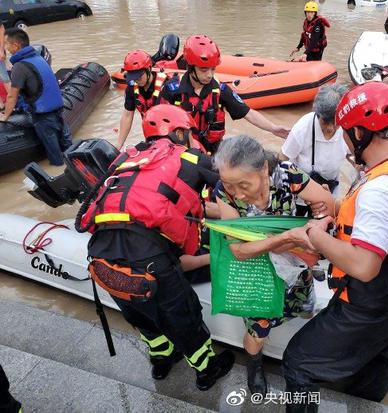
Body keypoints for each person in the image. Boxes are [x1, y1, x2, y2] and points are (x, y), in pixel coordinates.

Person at [282, 82, 388, 412]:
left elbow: (365, 266)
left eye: (346, 132)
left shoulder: (380, 192)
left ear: (362, 132)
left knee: (298, 362)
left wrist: (315, 235)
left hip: (367, 303)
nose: (343, 139)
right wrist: (336, 210)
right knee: (376, 363)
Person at [80, 104, 234, 389]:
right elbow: (231, 183)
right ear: (178, 132)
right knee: (183, 314)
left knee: (138, 312)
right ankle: (206, 370)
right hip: (148, 255)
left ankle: (161, 361)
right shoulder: (192, 157)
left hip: (100, 253)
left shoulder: (126, 158)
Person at [213, 135, 335, 396]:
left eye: (244, 184)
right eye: (229, 185)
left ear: (264, 170)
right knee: (258, 330)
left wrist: (319, 224)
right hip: (257, 274)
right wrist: (286, 238)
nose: (238, 194)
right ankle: (253, 365)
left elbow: (326, 205)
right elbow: (239, 251)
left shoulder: (288, 175)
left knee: (304, 308)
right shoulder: (225, 194)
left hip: (294, 265)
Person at [161, 34, 289, 154]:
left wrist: (273, 128)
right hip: (183, 152)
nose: (210, 75)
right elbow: (158, 123)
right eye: (204, 70)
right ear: (190, 67)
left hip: (212, 152)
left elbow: (248, 113)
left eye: (213, 69)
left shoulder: (220, 90)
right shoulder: (172, 90)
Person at [0, 28, 71, 166]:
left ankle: (60, 174)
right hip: (58, 110)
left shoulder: (19, 67)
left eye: (6, 44)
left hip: (43, 117)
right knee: (67, 146)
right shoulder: (38, 58)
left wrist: (5, 116)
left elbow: (12, 97)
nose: (5, 48)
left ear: (15, 45)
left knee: (56, 159)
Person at [280, 83, 350, 215]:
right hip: (302, 194)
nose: (330, 128)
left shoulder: (349, 127)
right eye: (325, 122)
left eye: (335, 123)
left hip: (330, 189)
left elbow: (354, 157)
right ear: (318, 114)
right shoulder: (302, 128)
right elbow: (282, 158)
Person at [116, 49, 171, 149]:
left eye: (139, 77)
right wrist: (118, 145)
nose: (137, 80)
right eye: (133, 78)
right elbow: (127, 115)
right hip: (150, 135)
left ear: (149, 69)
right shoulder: (132, 88)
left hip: (170, 136)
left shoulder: (166, 86)